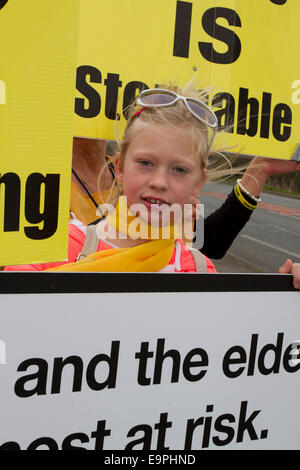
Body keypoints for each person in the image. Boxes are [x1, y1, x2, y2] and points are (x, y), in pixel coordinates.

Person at [5, 85, 299, 283]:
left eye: (180, 170)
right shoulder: (55, 247)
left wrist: (279, 300)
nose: (159, 181)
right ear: (119, 167)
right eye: (146, 163)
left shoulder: (196, 268)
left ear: (199, 184)